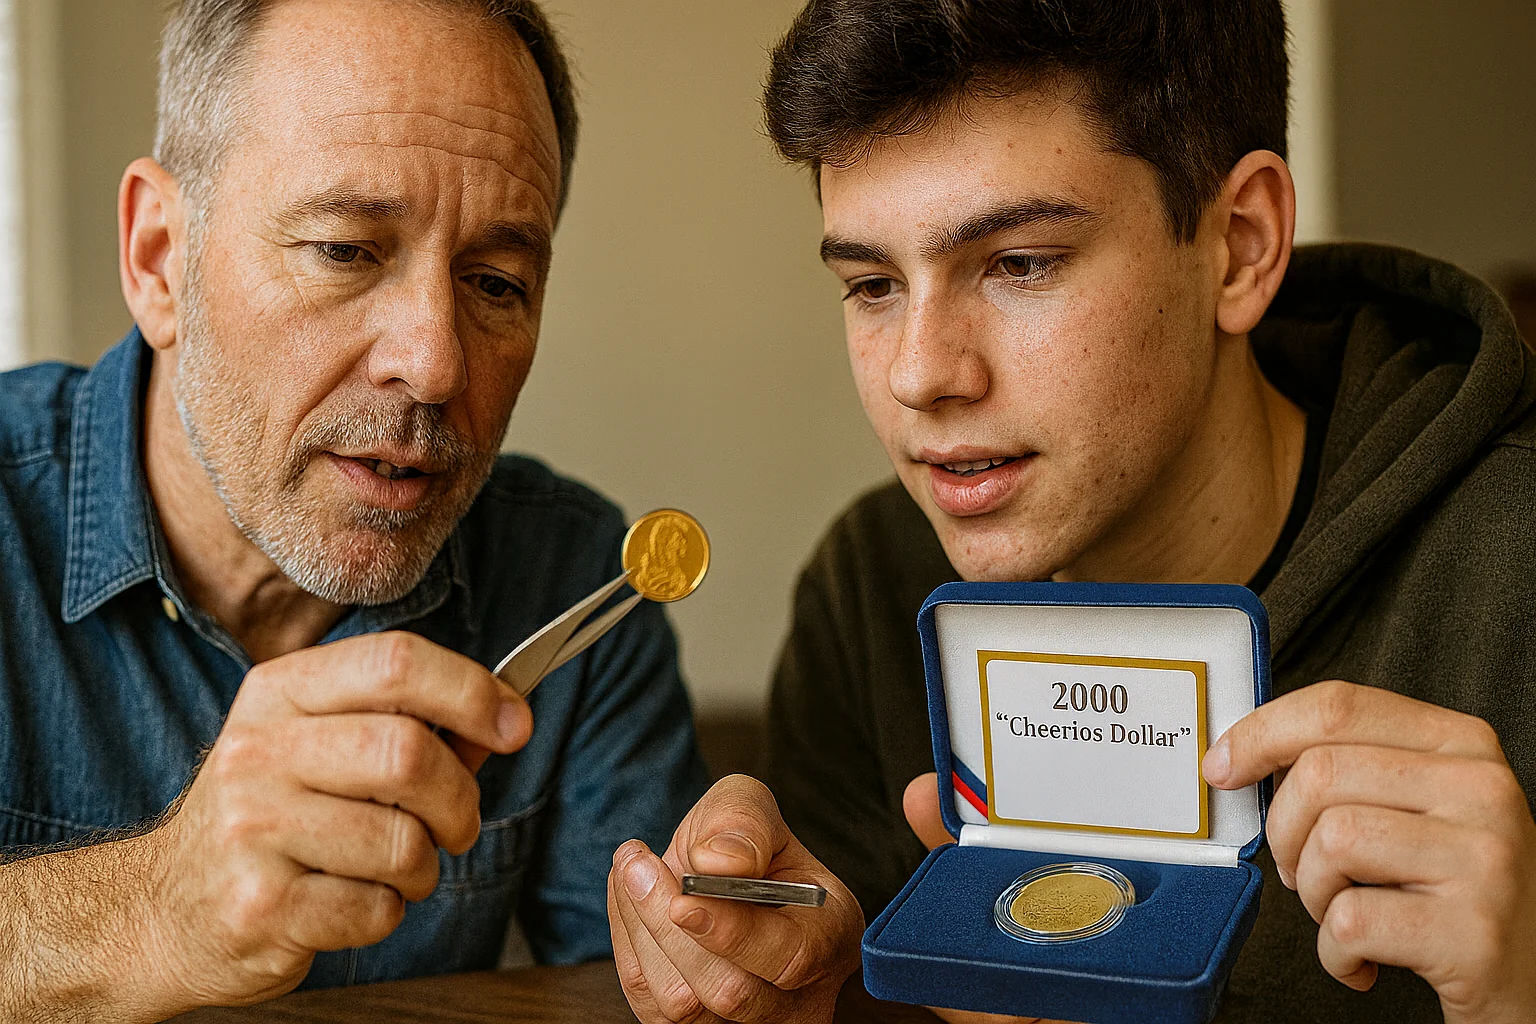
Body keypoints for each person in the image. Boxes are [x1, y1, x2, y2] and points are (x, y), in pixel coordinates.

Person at [608, 2, 1536, 1022]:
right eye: (872, 284)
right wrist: (807, 1001)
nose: (921, 375)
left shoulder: (1512, 561)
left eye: (1019, 264)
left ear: (1239, 245)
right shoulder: (873, 583)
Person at [0, 0, 708, 1019]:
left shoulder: (580, 583)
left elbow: (650, 987)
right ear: (159, 258)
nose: (433, 362)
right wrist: (152, 911)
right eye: (344, 249)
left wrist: (727, 959)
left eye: (496, 281)